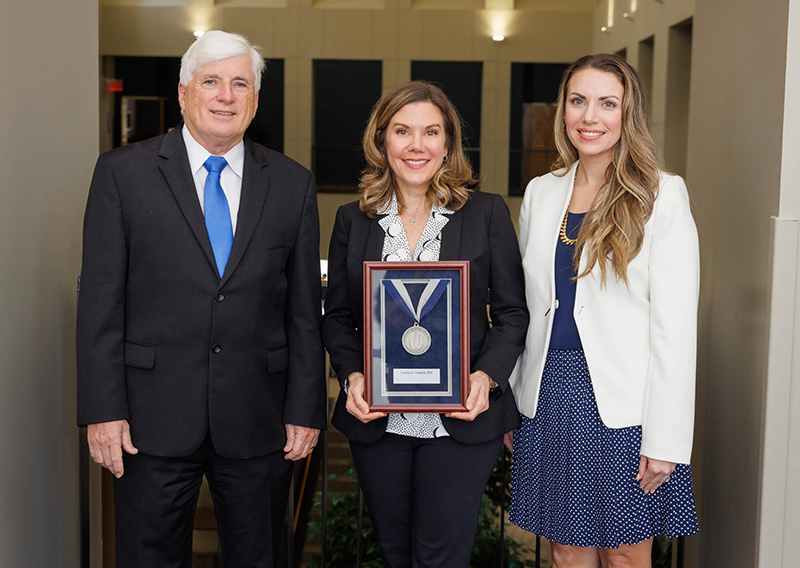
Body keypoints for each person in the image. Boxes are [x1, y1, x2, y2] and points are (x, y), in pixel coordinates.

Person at [76, 30, 326, 567]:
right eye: (212, 81)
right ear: (186, 90)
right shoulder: (122, 174)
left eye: (240, 84)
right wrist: (103, 410)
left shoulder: (292, 185)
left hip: (260, 421)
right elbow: (100, 302)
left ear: (255, 101)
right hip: (147, 421)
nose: (225, 96)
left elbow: (304, 313)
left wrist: (305, 409)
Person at [321, 81, 529, 567]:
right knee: (395, 554)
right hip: (379, 421)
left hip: (459, 421)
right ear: (382, 140)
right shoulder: (353, 219)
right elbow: (338, 317)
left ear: (448, 143)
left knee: (441, 557)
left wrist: (486, 377)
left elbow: (513, 313)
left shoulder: (487, 213)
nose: (417, 145)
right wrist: (352, 375)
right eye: (403, 131)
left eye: (430, 132)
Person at [508, 53, 700, 567]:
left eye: (606, 103)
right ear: (563, 110)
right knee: (566, 554)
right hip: (548, 394)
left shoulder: (661, 194)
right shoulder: (540, 193)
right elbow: (527, 310)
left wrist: (666, 437)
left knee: (624, 557)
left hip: (626, 406)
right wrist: (513, 396)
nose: (589, 117)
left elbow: (675, 328)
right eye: (578, 101)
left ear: (626, 113)